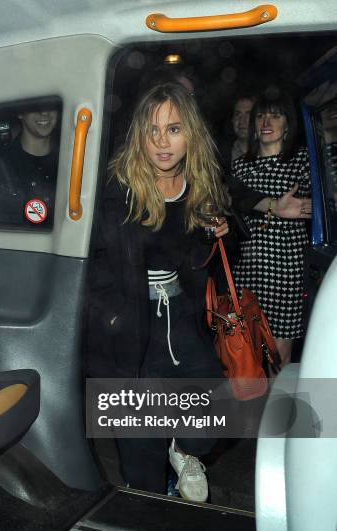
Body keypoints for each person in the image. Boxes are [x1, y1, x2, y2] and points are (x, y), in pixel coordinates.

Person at [86, 82, 233, 503]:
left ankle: (184, 450)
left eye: (173, 129)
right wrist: (107, 315)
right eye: (152, 131)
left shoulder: (200, 184)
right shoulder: (117, 188)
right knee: (139, 444)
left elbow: (207, 258)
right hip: (125, 324)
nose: (162, 142)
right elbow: (87, 262)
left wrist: (219, 233)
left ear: (192, 134)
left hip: (181, 315)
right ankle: (146, 511)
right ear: (139, 137)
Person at [231, 90, 311, 366]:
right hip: (247, 268)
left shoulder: (301, 161)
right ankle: (255, 405)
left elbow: (322, 204)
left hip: (286, 267)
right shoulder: (241, 167)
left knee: (279, 352)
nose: (267, 121)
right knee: (248, 349)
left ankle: (277, 407)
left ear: (288, 123)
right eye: (261, 115)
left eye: (275, 115)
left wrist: (310, 207)